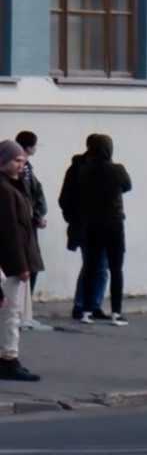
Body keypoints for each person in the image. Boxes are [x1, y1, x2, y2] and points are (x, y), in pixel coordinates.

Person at [77, 133, 132, 326]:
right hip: (114, 222)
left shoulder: (84, 170)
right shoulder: (117, 170)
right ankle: (116, 312)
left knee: (90, 267)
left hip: (91, 223)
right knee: (116, 268)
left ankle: (86, 311)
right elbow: (127, 186)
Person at [0, 140, 40, 381]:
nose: (21, 164)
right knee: (11, 312)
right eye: (16, 160)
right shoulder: (4, 189)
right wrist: (21, 265)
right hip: (10, 264)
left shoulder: (13, 185)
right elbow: (10, 230)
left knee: (11, 312)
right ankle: (8, 358)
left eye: (22, 161)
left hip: (14, 260)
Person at [59, 135, 109, 321]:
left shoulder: (107, 168)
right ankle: (81, 305)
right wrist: (75, 219)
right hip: (86, 225)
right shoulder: (77, 169)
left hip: (104, 224)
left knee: (102, 267)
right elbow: (65, 198)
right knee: (91, 264)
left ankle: (94, 305)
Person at [13, 132, 49, 331]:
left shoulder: (26, 169)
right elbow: (29, 195)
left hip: (29, 221)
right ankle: (21, 311)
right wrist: (37, 216)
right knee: (28, 265)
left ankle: (24, 311)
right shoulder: (24, 170)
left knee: (30, 265)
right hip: (25, 224)